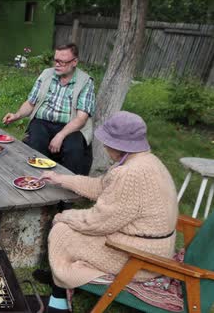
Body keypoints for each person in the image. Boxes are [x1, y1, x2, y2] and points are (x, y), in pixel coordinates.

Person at [38, 111, 178, 312]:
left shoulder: (130, 174)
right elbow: (101, 186)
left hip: (140, 257)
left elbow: (97, 222)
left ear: (117, 145)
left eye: (106, 142)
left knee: (62, 232)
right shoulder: (146, 161)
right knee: (68, 227)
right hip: (150, 244)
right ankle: (58, 276)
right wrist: (60, 179)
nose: (104, 146)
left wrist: (65, 217)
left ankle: (58, 298)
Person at [2, 43, 95, 175]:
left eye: (62, 62)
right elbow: (31, 103)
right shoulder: (46, 75)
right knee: (36, 144)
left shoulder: (85, 81)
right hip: (42, 122)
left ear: (74, 62)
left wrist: (61, 135)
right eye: (55, 60)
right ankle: (33, 179)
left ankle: (71, 186)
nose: (56, 64)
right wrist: (16, 115)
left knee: (73, 150)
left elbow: (81, 119)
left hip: (71, 126)